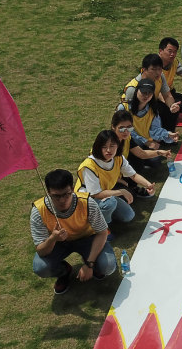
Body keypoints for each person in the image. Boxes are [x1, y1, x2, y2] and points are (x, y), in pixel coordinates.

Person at [31, 168, 116, 296]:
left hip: (88, 238)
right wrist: (52, 239)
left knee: (108, 266)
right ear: (48, 193)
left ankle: (92, 262)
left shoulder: (87, 202)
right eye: (56, 196)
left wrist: (89, 264)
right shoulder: (39, 211)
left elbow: (102, 233)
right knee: (40, 267)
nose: (62, 200)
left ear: (72, 189)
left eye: (66, 194)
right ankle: (64, 271)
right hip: (58, 242)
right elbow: (41, 251)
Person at [76, 129, 156, 227]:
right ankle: (102, 226)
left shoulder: (119, 158)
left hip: (104, 194)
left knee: (128, 215)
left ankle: (101, 215)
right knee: (110, 203)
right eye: (104, 147)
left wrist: (148, 185)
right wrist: (121, 191)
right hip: (87, 199)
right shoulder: (89, 166)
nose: (108, 150)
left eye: (112, 146)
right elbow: (95, 194)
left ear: (117, 146)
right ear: (98, 147)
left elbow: (133, 175)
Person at [121, 54, 181, 127]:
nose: (158, 72)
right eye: (154, 69)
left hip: (151, 103)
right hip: (137, 110)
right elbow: (129, 112)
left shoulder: (160, 76)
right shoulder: (132, 89)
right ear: (144, 70)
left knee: (172, 112)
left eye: (160, 69)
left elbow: (167, 95)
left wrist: (172, 106)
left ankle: (167, 132)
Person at [119, 79, 178, 152]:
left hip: (146, 141)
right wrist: (145, 142)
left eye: (150, 93)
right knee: (137, 143)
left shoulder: (153, 109)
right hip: (129, 140)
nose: (146, 96)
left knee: (155, 159)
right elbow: (124, 130)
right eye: (143, 92)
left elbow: (155, 129)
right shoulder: (124, 108)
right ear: (137, 91)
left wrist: (168, 134)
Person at [111, 109, 168, 174]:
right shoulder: (109, 145)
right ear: (113, 127)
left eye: (129, 128)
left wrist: (159, 152)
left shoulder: (127, 138)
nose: (126, 132)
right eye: (122, 128)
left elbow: (141, 153)